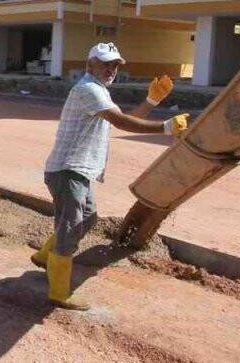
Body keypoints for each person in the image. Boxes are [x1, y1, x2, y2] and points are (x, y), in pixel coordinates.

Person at [31, 43, 189, 310]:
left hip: (78, 171)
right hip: (69, 171)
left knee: (88, 218)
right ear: (89, 64)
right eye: (105, 63)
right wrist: (166, 128)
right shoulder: (88, 89)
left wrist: (151, 102)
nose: (111, 69)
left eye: (115, 65)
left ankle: (46, 256)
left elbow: (124, 119)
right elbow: (123, 123)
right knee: (70, 229)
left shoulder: (99, 92)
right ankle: (58, 292)